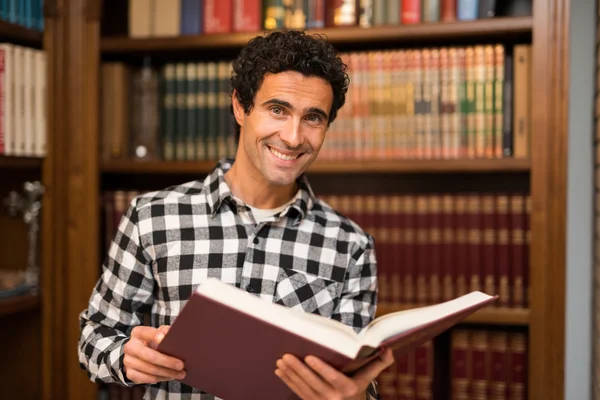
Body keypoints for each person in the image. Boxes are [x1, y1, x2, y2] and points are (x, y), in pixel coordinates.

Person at [78, 30, 394, 399]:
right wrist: (125, 357)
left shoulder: (351, 246)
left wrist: (353, 395)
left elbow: (357, 380)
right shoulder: (152, 216)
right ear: (240, 108)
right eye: (278, 110)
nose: (293, 137)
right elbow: (93, 337)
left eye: (312, 118)